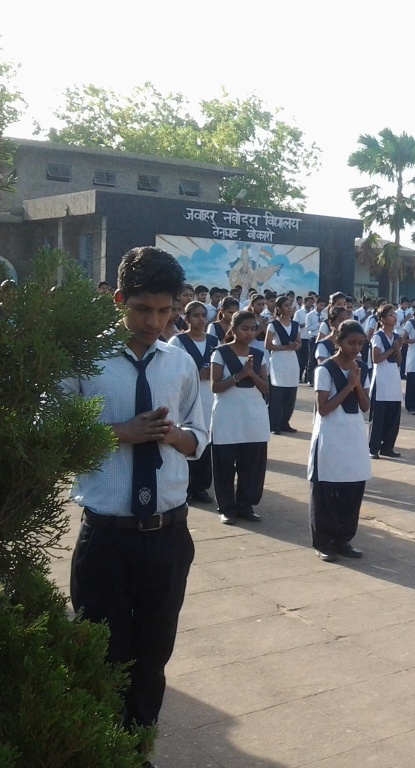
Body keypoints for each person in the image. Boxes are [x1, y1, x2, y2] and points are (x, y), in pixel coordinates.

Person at [66, 246, 207, 741]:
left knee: (152, 659)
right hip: (106, 539)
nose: (154, 321)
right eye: (143, 308)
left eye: (165, 310)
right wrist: (120, 432)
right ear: (119, 300)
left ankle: (137, 746)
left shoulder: (181, 363)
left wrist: (170, 436)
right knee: (102, 656)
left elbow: (197, 438)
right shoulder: (85, 361)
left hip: (167, 538)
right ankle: (103, 746)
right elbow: (56, 435)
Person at [309, 320, 371, 560]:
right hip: (330, 435)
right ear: (338, 341)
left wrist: (356, 386)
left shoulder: (361, 368)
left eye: (360, 343)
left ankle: (343, 539)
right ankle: (324, 542)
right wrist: (349, 386)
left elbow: (365, 406)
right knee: (326, 490)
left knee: (352, 488)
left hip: (353, 434)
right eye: (351, 343)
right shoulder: (324, 369)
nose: (356, 348)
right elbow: (323, 408)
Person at [210, 311, 270, 525]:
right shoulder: (220, 353)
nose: (249, 333)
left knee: (251, 464)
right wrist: (238, 376)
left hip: (253, 415)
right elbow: (215, 386)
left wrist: (251, 374)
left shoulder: (259, 354)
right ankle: (227, 508)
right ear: (233, 329)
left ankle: (246, 505)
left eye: (253, 329)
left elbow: (266, 387)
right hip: (228, 416)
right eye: (244, 328)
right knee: (225, 464)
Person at [170, 300, 218, 503]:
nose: (201, 319)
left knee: (206, 440)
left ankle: (201, 486)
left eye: (203, 315)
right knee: (186, 438)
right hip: (186, 398)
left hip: (209, 397)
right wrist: (197, 374)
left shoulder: (214, 341)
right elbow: (171, 372)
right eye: (196, 315)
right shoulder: (177, 342)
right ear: (187, 318)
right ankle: (184, 485)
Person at [368, 304, 405, 459]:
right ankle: (373, 448)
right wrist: (392, 349)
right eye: (390, 315)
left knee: (393, 415)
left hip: (393, 378)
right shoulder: (378, 336)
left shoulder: (396, 336)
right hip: (381, 378)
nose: (394, 317)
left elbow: (399, 361)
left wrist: (398, 349)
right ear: (382, 319)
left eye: (394, 314)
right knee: (378, 416)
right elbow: (376, 359)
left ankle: (388, 446)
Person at [266, 295, 303, 435]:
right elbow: (268, 344)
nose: (289, 308)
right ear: (279, 308)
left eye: (290, 305)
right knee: (277, 394)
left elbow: (300, 342)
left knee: (290, 393)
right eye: (286, 306)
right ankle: (274, 424)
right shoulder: (273, 324)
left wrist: (296, 346)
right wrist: (284, 347)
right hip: (278, 361)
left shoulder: (295, 325)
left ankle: (285, 422)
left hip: (292, 362)